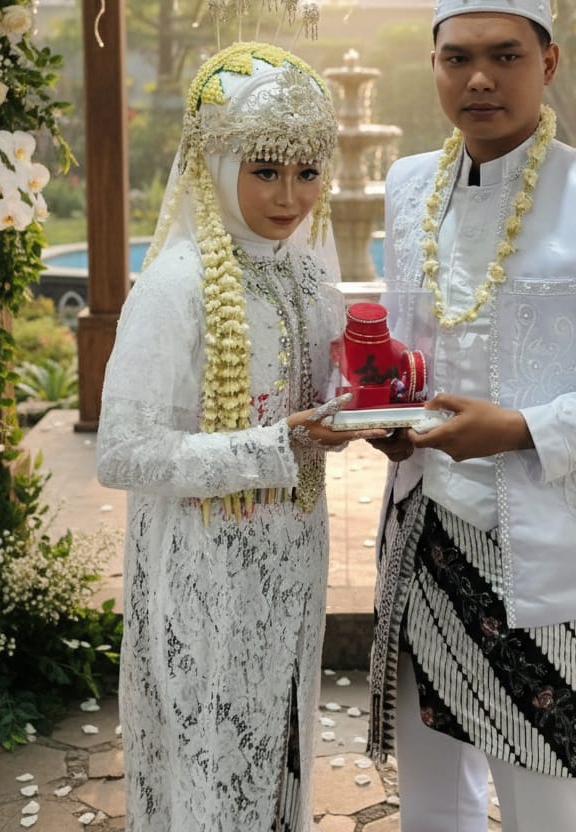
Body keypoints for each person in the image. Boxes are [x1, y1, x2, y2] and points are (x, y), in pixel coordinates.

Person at [366, 0, 576, 832]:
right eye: (458, 57)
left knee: (547, 801)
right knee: (432, 799)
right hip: (424, 534)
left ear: (548, 62)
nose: (479, 78)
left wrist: (520, 428)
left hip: (547, 548)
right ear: (434, 66)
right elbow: (409, 346)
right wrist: (389, 414)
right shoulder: (408, 186)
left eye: (505, 55)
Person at [96, 42, 371, 832]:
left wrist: (359, 411)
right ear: (216, 164)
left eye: (307, 172)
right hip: (203, 569)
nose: (290, 196)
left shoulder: (307, 275)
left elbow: (318, 402)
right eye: (266, 170)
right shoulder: (176, 283)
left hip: (293, 557)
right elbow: (122, 449)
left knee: (280, 745)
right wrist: (270, 448)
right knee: (209, 757)